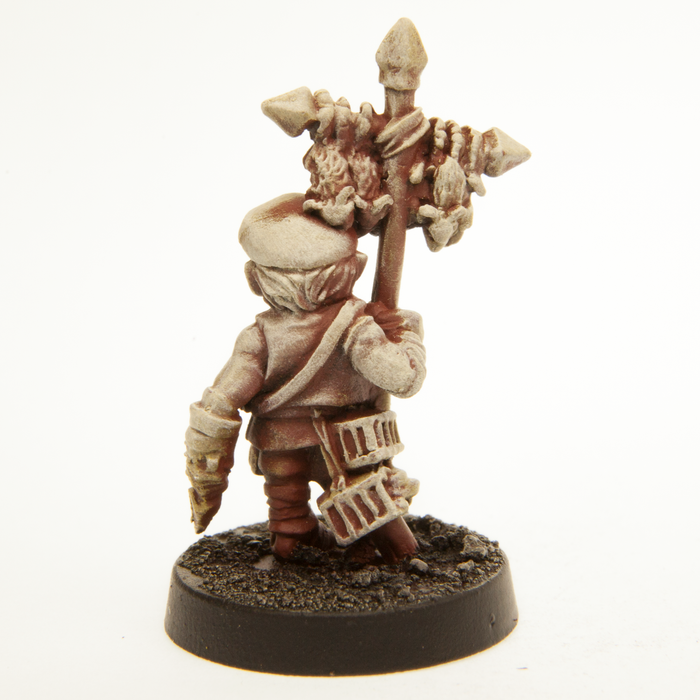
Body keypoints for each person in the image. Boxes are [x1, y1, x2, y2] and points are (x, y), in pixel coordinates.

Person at [184, 193, 426, 563]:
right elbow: (404, 379)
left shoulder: (257, 337)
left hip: (277, 447)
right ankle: (395, 553)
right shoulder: (358, 326)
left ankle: (292, 535)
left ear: (254, 279)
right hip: (343, 445)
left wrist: (207, 474)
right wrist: (404, 333)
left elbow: (222, 399)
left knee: (287, 506)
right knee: (371, 507)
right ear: (355, 268)